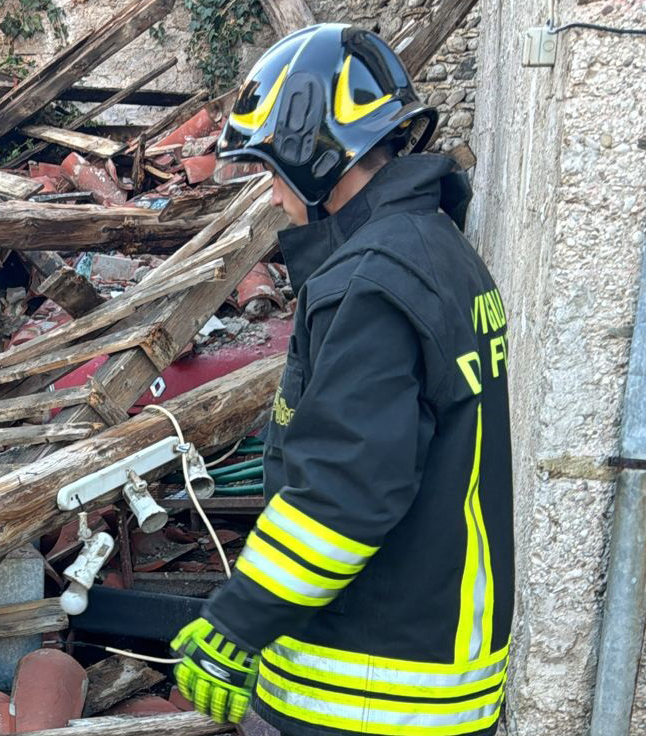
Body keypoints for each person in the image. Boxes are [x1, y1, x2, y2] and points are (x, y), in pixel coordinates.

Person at [166, 23, 514, 736]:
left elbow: (346, 492)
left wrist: (236, 623)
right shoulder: (439, 250)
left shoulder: (372, 282)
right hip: (436, 655)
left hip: (372, 684)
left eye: (269, 169)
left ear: (312, 155)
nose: (269, 192)